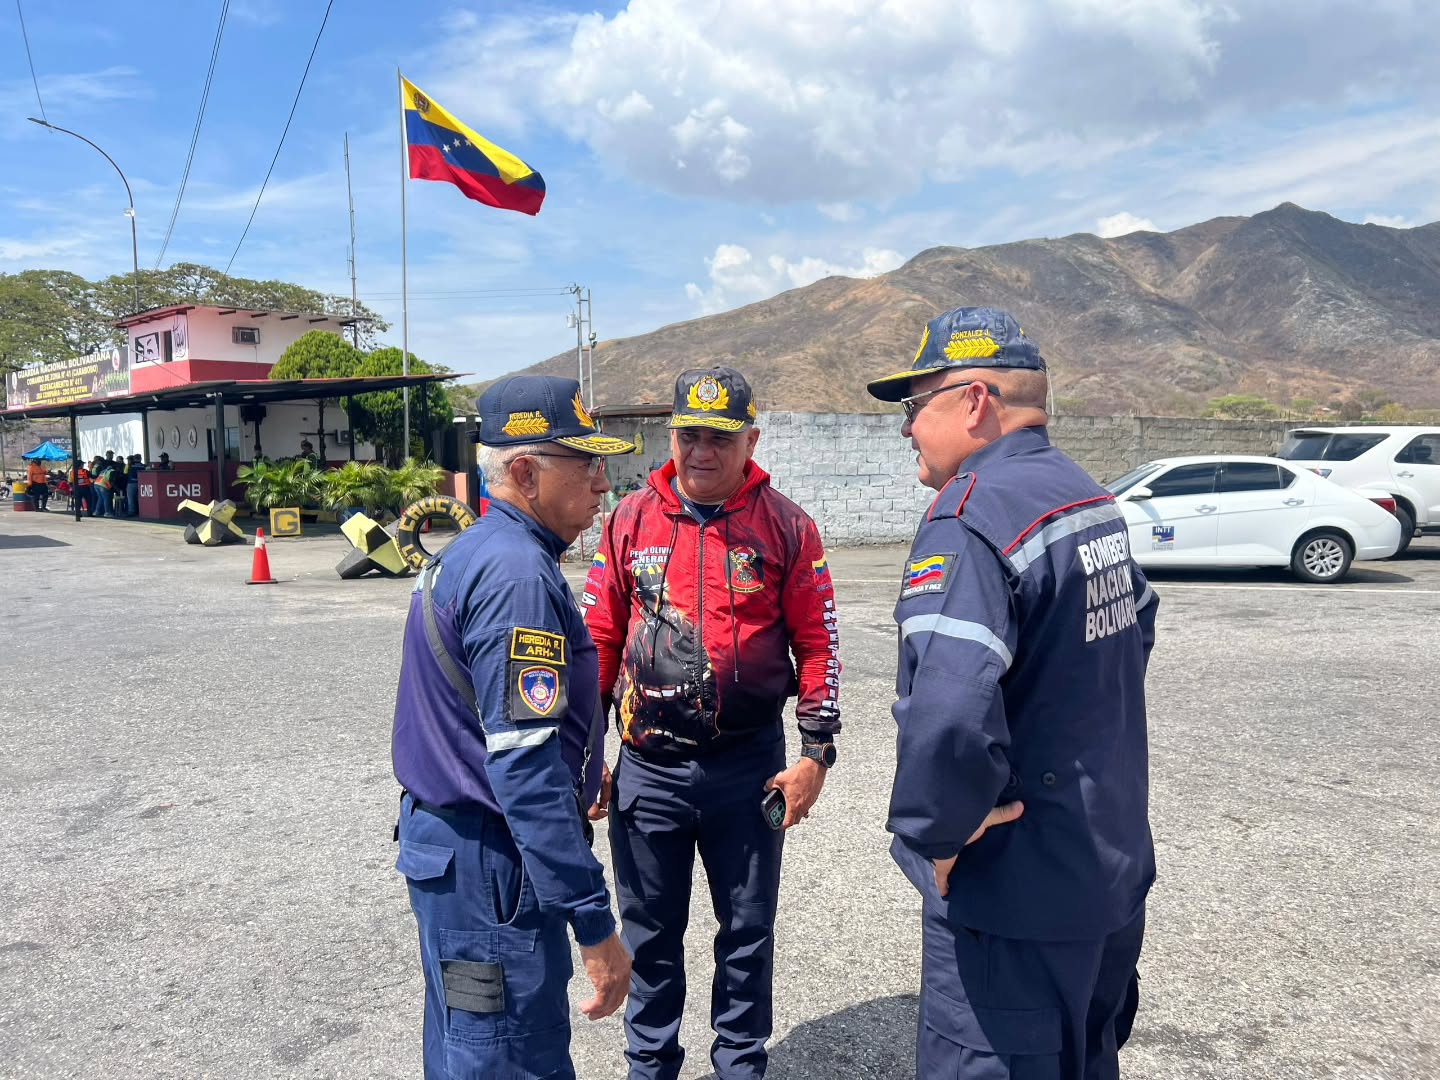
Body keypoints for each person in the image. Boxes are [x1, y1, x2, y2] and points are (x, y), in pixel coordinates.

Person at [864, 306, 1159, 1080]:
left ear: (973, 401)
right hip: (1105, 870)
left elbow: (947, 716)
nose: (907, 429)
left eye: (913, 406)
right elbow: (1137, 624)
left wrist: (938, 835)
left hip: (1014, 897)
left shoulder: (971, 516)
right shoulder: (1088, 497)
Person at [582, 366, 841, 1080]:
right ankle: (650, 1066)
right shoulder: (629, 520)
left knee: (748, 935)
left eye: (719, 438)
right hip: (649, 773)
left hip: (748, 770)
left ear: (751, 440)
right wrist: (587, 755)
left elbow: (818, 642)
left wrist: (815, 753)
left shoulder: (788, 526)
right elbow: (599, 637)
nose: (701, 451)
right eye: (688, 435)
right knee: (650, 937)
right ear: (671, 436)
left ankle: (740, 1065)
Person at [391, 374, 636, 1079]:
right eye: (585, 464)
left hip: (462, 858)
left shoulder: (481, 550)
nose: (602, 482)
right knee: (507, 1059)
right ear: (525, 472)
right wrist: (593, 921)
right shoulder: (516, 577)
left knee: (467, 1047)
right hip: (490, 867)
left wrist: (582, 763)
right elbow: (523, 767)